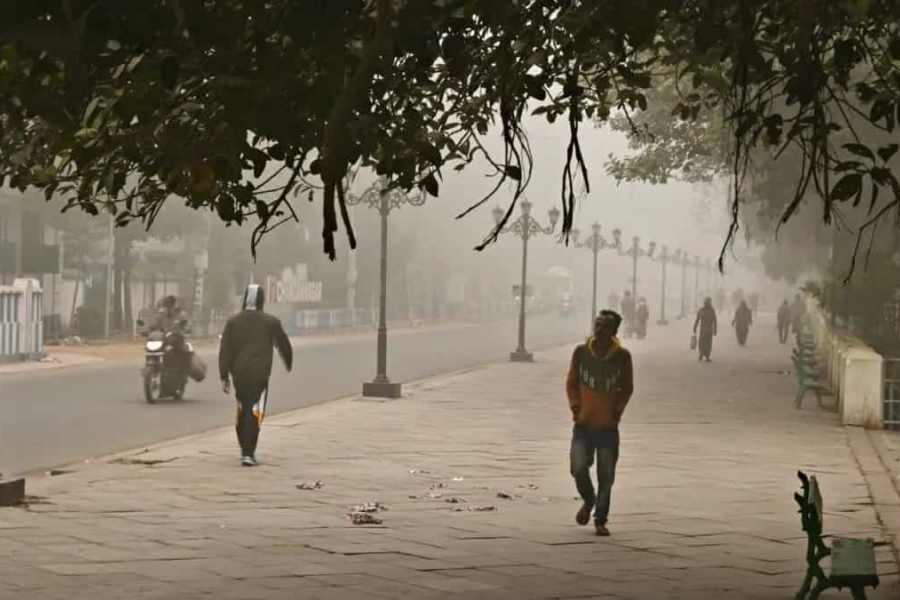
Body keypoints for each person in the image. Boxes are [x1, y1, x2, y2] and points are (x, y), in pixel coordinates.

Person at [566, 310, 634, 537]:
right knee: (578, 468)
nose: (600, 330)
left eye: (605, 326)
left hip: (607, 427)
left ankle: (600, 519)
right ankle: (589, 499)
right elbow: (572, 383)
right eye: (597, 325)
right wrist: (576, 408)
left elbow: (627, 388)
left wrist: (616, 411)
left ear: (614, 331)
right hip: (584, 425)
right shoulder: (582, 353)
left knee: (607, 475)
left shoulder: (623, 357)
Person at [218, 284, 293, 467]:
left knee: (243, 409)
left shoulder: (233, 322)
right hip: (260, 374)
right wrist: (287, 361)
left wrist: (224, 376)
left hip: (240, 374)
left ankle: (244, 447)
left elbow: (225, 350)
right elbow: (284, 344)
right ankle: (248, 453)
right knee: (255, 410)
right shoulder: (270, 322)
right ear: (261, 300)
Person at [693, 297, 718, 362]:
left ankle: (702, 354)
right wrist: (715, 330)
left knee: (703, 342)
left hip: (704, 329)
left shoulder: (702, 310)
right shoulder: (711, 310)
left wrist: (695, 327)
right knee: (707, 343)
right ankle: (706, 356)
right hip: (707, 329)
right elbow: (715, 321)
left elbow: (697, 320)